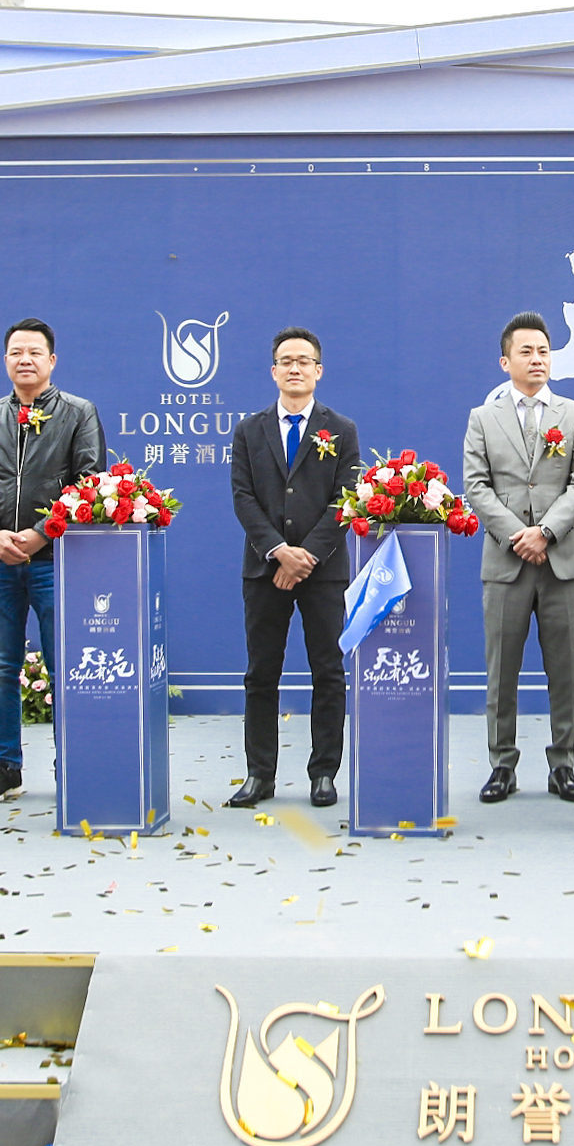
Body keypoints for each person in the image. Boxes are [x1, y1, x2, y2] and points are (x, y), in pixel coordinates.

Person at [0, 318, 105, 804]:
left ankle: (71, 764)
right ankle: (5, 767)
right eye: (16, 352)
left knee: (65, 668)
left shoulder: (78, 413)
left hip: (55, 562)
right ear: (5, 361)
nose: (25, 360)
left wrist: (41, 534)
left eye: (35, 352)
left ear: (51, 361)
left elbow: (89, 484)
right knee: (1, 667)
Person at [462, 311, 574, 804]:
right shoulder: (483, 418)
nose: (537, 359)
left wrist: (545, 532)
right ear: (506, 362)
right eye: (526, 351)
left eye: (543, 351)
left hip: (563, 560)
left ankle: (563, 765)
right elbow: (476, 486)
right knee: (502, 672)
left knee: (565, 671)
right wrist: (518, 535)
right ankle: (502, 766)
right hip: (506, 562)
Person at [225, 327, 360, 809]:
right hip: (265, 571)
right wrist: (278, 551)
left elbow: (345, 500)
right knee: (261, 674)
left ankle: (323, 773)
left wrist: (305, 557)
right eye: (286, 361)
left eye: (304, 361)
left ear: (318, 371)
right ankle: (259, 775)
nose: (295, 368)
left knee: (328, 672)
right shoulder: (249, 430)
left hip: (323, 573)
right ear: (273, 371)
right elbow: (243, 498)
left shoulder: (341, 429)